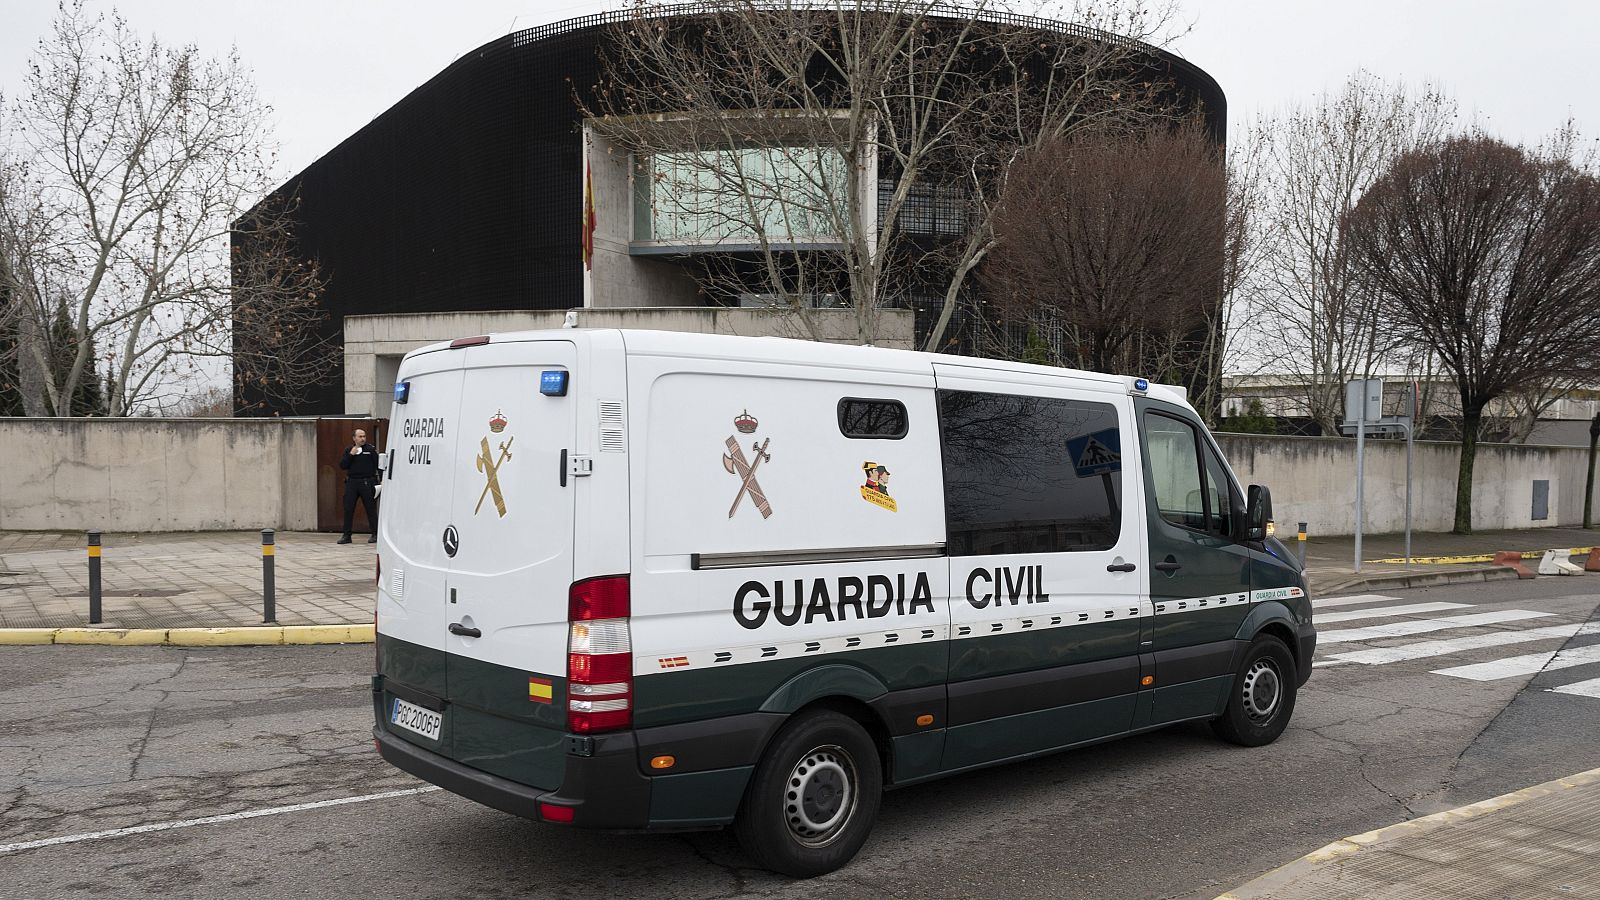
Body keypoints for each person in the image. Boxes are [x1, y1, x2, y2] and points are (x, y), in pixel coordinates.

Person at [338, 428, 381, 544]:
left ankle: (375, 534)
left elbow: (378, 465)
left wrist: (381, 481)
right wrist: (351, 455)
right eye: (360, 436)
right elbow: (343, 465)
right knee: (348, 508)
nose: (363, 439)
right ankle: (347, 535)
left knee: (370, 508)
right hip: (352, 482)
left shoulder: (370, 450)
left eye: (364, 436)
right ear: (354, 438)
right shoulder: (349, 450)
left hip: (367, 482)